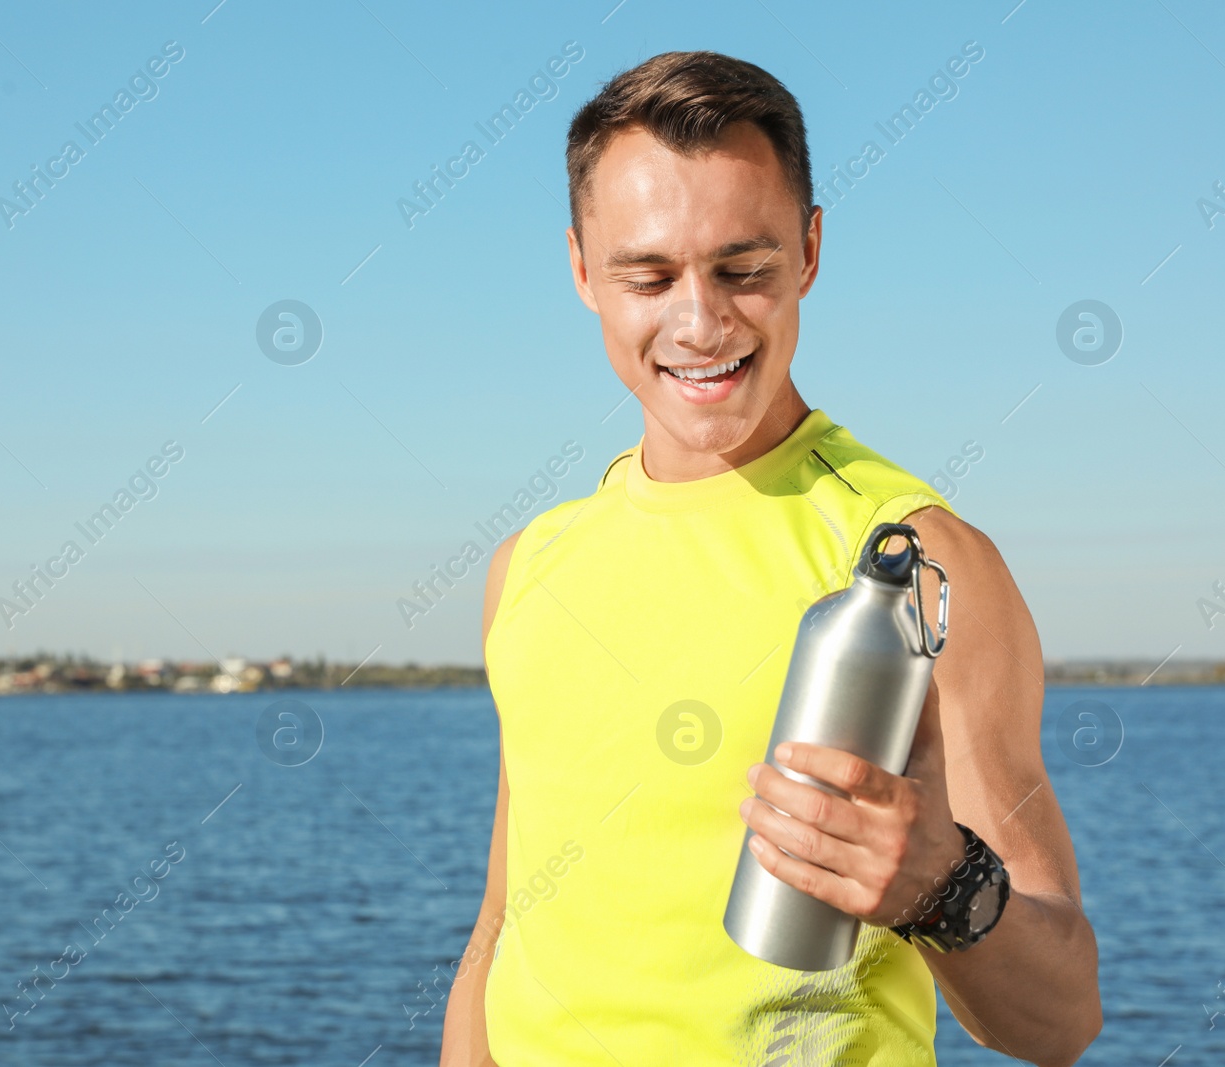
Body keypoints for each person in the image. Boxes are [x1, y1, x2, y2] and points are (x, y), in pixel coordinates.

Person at [438, 51, 1100, 1066]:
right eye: (648, 275)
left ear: (810, 251)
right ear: (580, 270)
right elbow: (500, 931)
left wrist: (937, 885)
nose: (699, 322)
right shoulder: (527, 565)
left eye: (742, 270)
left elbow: (1059, 1018)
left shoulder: (917, 561)